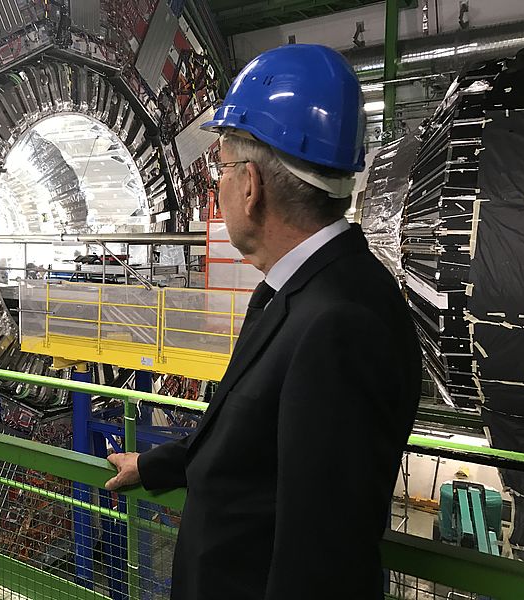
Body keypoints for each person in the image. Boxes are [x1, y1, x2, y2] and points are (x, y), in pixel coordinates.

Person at [105, 44, 422, 600]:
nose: (217, 185)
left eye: (220, 167)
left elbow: (321, 564)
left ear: (250, 185)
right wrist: (157, 466)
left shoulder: (339, 326)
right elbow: (255, 442)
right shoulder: (298, 289)